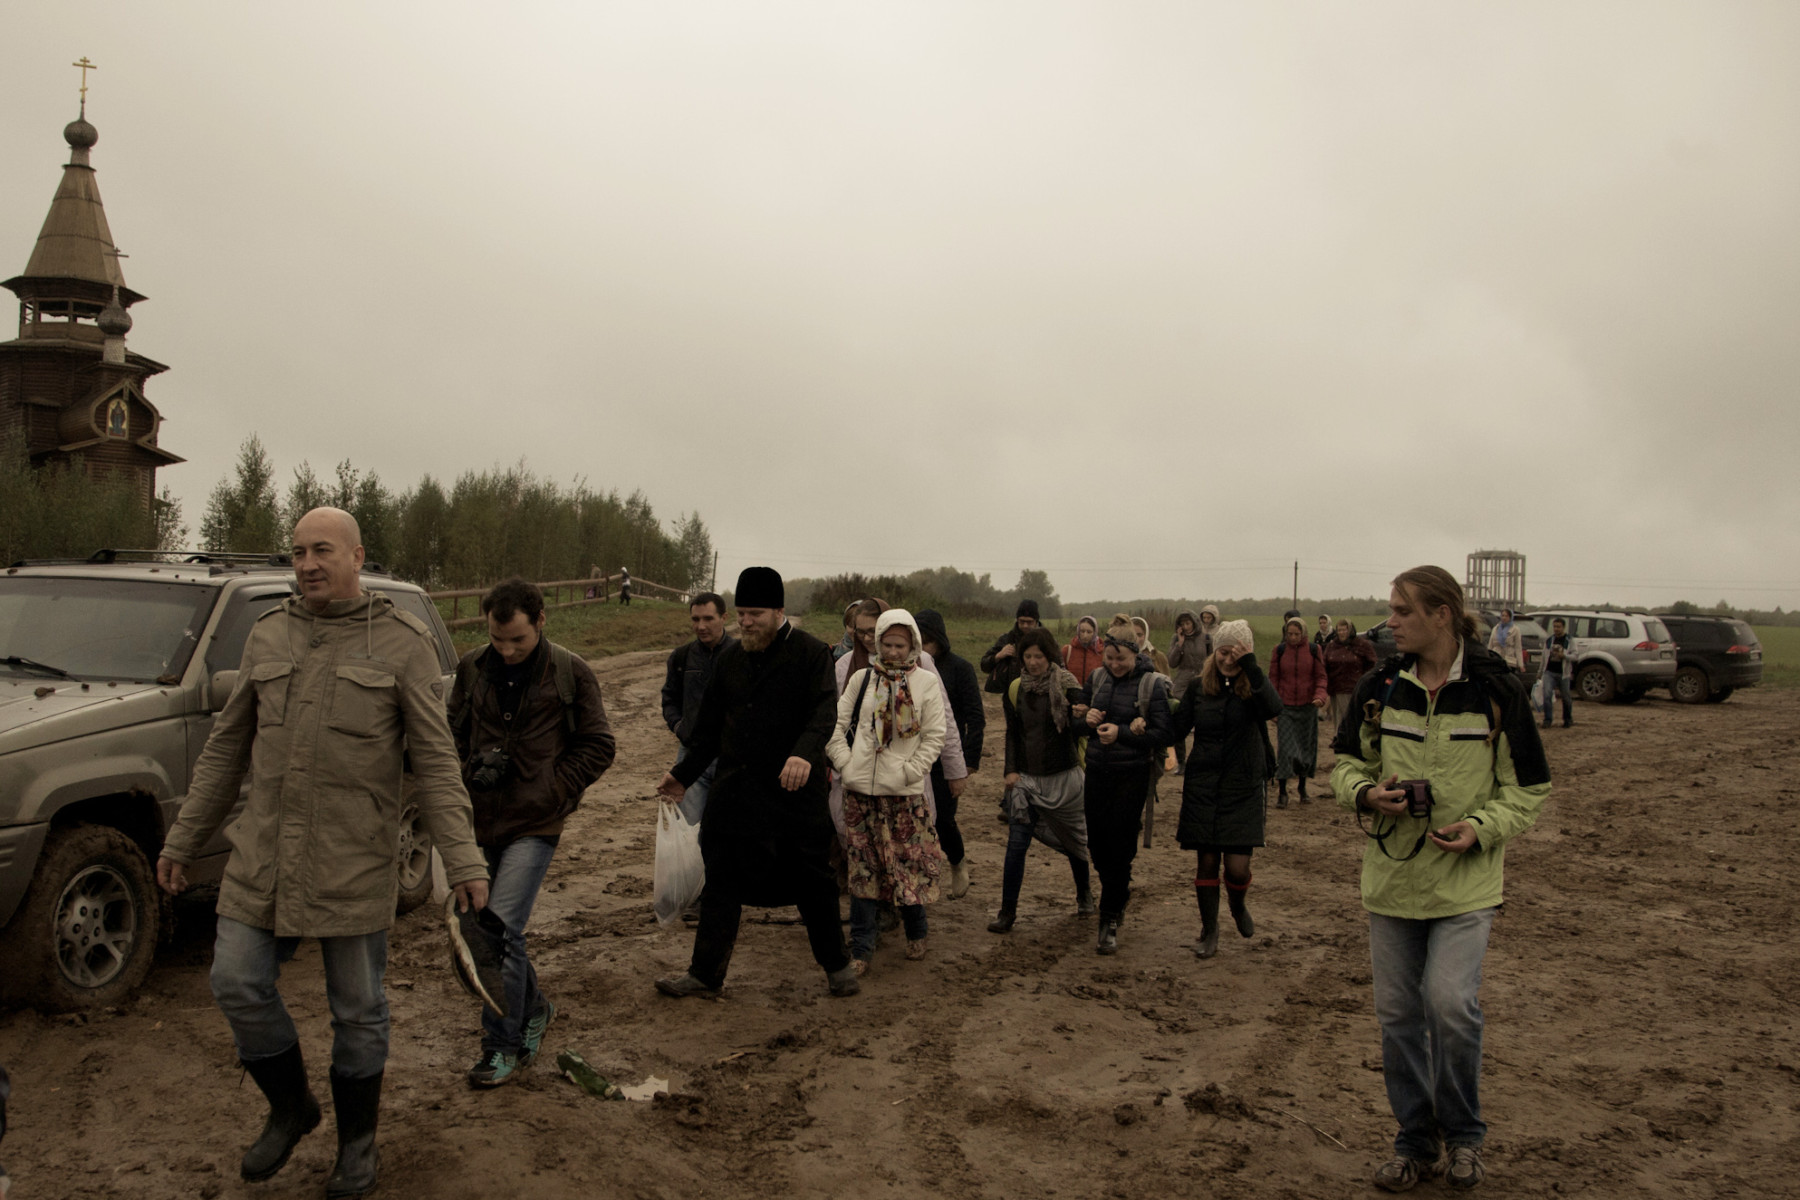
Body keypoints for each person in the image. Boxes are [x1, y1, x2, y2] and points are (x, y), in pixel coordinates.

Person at [156, 507, 489, 1198]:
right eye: (298, 552)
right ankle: (290, 1106)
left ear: (356, 556)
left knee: (358, 1009)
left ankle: (356, 1146)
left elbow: (435, 762)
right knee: (236, 982)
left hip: (352, 859)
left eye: (322, 551)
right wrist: (183, 839)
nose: (307, 564)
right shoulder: (268, 633)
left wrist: (463, 860)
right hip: (264, 855)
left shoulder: (401, 643)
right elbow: (226, 748)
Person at [1331, 566, 1550, 1194]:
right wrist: (1367, 793)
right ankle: (1416, 1142)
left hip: (1465, 886)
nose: (1391, 621)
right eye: (1391, 609)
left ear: (1442, 615)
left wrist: (1480, 827)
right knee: (1399, 1016)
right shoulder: (1379, 686)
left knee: (1450, 1005)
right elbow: (1345, 764)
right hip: (1392, 884)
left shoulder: (1496, 690)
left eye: (1403, 610)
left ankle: (1464, 1137)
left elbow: (1528, 790)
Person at [654, 568, 860, 999]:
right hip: (736, 795)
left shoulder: (811, 654)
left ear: (779, 611)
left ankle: (837, 966)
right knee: (721, 882)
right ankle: (705, 974)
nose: (745, 622)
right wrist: (682, 775)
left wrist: (803, 753)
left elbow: (824, 713)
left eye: (755, 614)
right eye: (741, 613)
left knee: (814, 884)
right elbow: (709, 730)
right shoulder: (730, 660)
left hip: (793, 797)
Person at [451, 578, 616, 1088]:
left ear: (541, 620)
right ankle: (536, 1007)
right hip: (479, 820)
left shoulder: (570, 672)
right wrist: (466, 772)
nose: (506, 650)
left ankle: (501, 1047)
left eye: (517, 640)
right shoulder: (472, 667)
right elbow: (450, 734)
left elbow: (599, 744)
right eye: (497, 639)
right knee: (481, 931)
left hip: (536, 823)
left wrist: (554, 789)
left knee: (500, 931)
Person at [827, 610, 947, 971]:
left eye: (900, 645)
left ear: (913, 646)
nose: (893, 652)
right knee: (863, 873)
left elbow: (934, 736)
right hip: (860, 795)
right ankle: (861, 949)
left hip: (904, 796)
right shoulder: (862, 679)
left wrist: (910, 770)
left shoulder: (925, 683)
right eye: (887, 644)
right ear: (878, 643)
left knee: (906, 867)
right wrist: (846, 765)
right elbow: (835, 726)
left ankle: (916, 932)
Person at [832, 601, 968, 896]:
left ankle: (908, 903)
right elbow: (835, 721)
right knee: (858, 846)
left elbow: (942, 721)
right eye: (860, 631)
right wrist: (844, 763)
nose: (866, 638)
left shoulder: (923, 666)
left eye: (872, 631)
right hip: (859, 775)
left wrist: (954, 769)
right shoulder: (845, 666)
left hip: (904, 776)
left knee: (908, 847)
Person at [1169, 620, 1281, 959]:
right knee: (1206, 861)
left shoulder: (1253, 687)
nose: (1227, 659)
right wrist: (1148, 721)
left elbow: (1273, 708)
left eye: (1235, 653)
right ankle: (1209, 930)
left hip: (1242, 785)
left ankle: (1237, 904)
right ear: (1214, 651)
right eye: (1222, 651)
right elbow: (1176, 729)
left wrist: (1251, 666)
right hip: (1203, 784)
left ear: (1246, 654)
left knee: (1237, 867)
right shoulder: (1199, 687)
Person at [1075, 629, 1173, 954]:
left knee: (1120, 846)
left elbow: (1163, 735)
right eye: (1110, 657)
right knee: (1097, 845)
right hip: (1096, 772)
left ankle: (1109, 919)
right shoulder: (1096, 679)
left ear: (1136, 653)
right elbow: (1075, 725)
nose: (1115, 664)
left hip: (1132, 777)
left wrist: (1122, 733)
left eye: (1122, 658)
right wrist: (1087, 720)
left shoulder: (1151, 685)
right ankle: (1118, 894)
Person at [991, 626, 1093, 932]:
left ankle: (1084, 894)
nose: (1033, 662)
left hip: (1065, 780)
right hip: (1026, 781)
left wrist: (1083, 715)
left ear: (1050, 657)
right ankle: (1007, 912)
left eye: (1039, 656)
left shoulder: (1068, 686)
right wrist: (1010, 770)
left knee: (1076, 844)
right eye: (1027, 656)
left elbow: (1081, 729)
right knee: (1016, 845)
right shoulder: (1016, 689)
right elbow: (1013, 733)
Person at [916, 609, 986, 899]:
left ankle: (957, 862)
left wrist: (967, 761)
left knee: (943, 819)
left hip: (946, 758)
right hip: (916, 757)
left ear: (939, 640)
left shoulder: (960, 668)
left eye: (927, 642)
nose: (922, 649)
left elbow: (975, 717)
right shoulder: (908, 668)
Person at [661, 593, 738, 828]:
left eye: (708, 619)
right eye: (695, 619)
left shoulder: (742, 656)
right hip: (691, 754)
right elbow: (669, 699)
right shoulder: (681, 657)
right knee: (689, 827)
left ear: (724, 617)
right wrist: (679, 727)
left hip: (731, 757)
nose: (701, 626)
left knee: (727, 828)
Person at [1269, 616, 1327, 807]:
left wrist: (1319, 696)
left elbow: (1321, 677)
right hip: (1285, 708)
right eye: (1289, 634)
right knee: (1285, 751)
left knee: (1305, 750)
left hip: (1308, 708)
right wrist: (1273, 708)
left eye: (1296, 634)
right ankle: (1282, 792)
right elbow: (1273, 680)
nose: (1293, 637)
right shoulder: (1279, 650)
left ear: (1303, 634)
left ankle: (1302, 787)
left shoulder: (1313, 650)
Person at [1166, 610, 1210, 774]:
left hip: (1203, 679)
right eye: (1182, 624)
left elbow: (1212, 658)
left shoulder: (1206, 638)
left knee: (1204, 721)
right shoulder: (1176, 639)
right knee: (1179, 719)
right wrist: (1180, 643)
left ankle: (1202, 760)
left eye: (1188, 623)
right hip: (1183, 682)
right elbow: (1172, 662)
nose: (1185, 626)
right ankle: (1182, 762)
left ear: (1194, 623)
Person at [1323, 617, 1378, 738]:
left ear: (1350, 630)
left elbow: (1372, 663)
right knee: (1338, 717)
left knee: (1348, 717)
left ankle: (1347, 739)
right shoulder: (1332, 646)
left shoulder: (1361, 645)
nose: (1342, 633)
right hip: (1335, 686)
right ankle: (1339, 738)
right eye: (1339, 630)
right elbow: (1324, 663)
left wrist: (1364, 679)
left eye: (1344, 630)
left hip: (1352, 687)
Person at [980, 599, 1041, 694]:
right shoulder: (1006, 639)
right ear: (1017, 620)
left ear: (1036, 621)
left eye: (1029, 622)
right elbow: (984, 665)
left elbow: (1059, 669)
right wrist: (998, 656)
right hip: (1011, 695)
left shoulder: (1047, 641)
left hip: (1039, 694)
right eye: (1022, 621)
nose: (1025, 625)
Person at [1541, 617, 1574, 728]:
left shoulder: (1569, 640)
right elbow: (1543, 657)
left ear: (1563, 627)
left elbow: (1576, 655)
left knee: (1566, 697)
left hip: (1563, 673)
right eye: (1554, 626)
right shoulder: (1549, 640)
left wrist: (1564, 656)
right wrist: (1540, 672)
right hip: (1549, 672)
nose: (1556, 629)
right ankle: (1547, 719)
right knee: (1547, 695)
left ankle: (1567, 719)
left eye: (1558, 627)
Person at [1062, 614, 1104, 683]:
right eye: (1082, 631)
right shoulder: (1067, 651)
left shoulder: (1101, 652)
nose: (1085, 635)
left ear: (1094, 632)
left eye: (1089, 632)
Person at [1486, 607, 1523, 674]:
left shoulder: (1515, 630)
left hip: (1509, 661)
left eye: (1506, 616)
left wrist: (1520, 664)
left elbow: (1518, 647)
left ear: (1510, 617)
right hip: (1496, 659)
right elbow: (1490, 645)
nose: (1504, 618)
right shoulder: (1495, 628)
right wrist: (1488, 659)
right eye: (1503, 615)